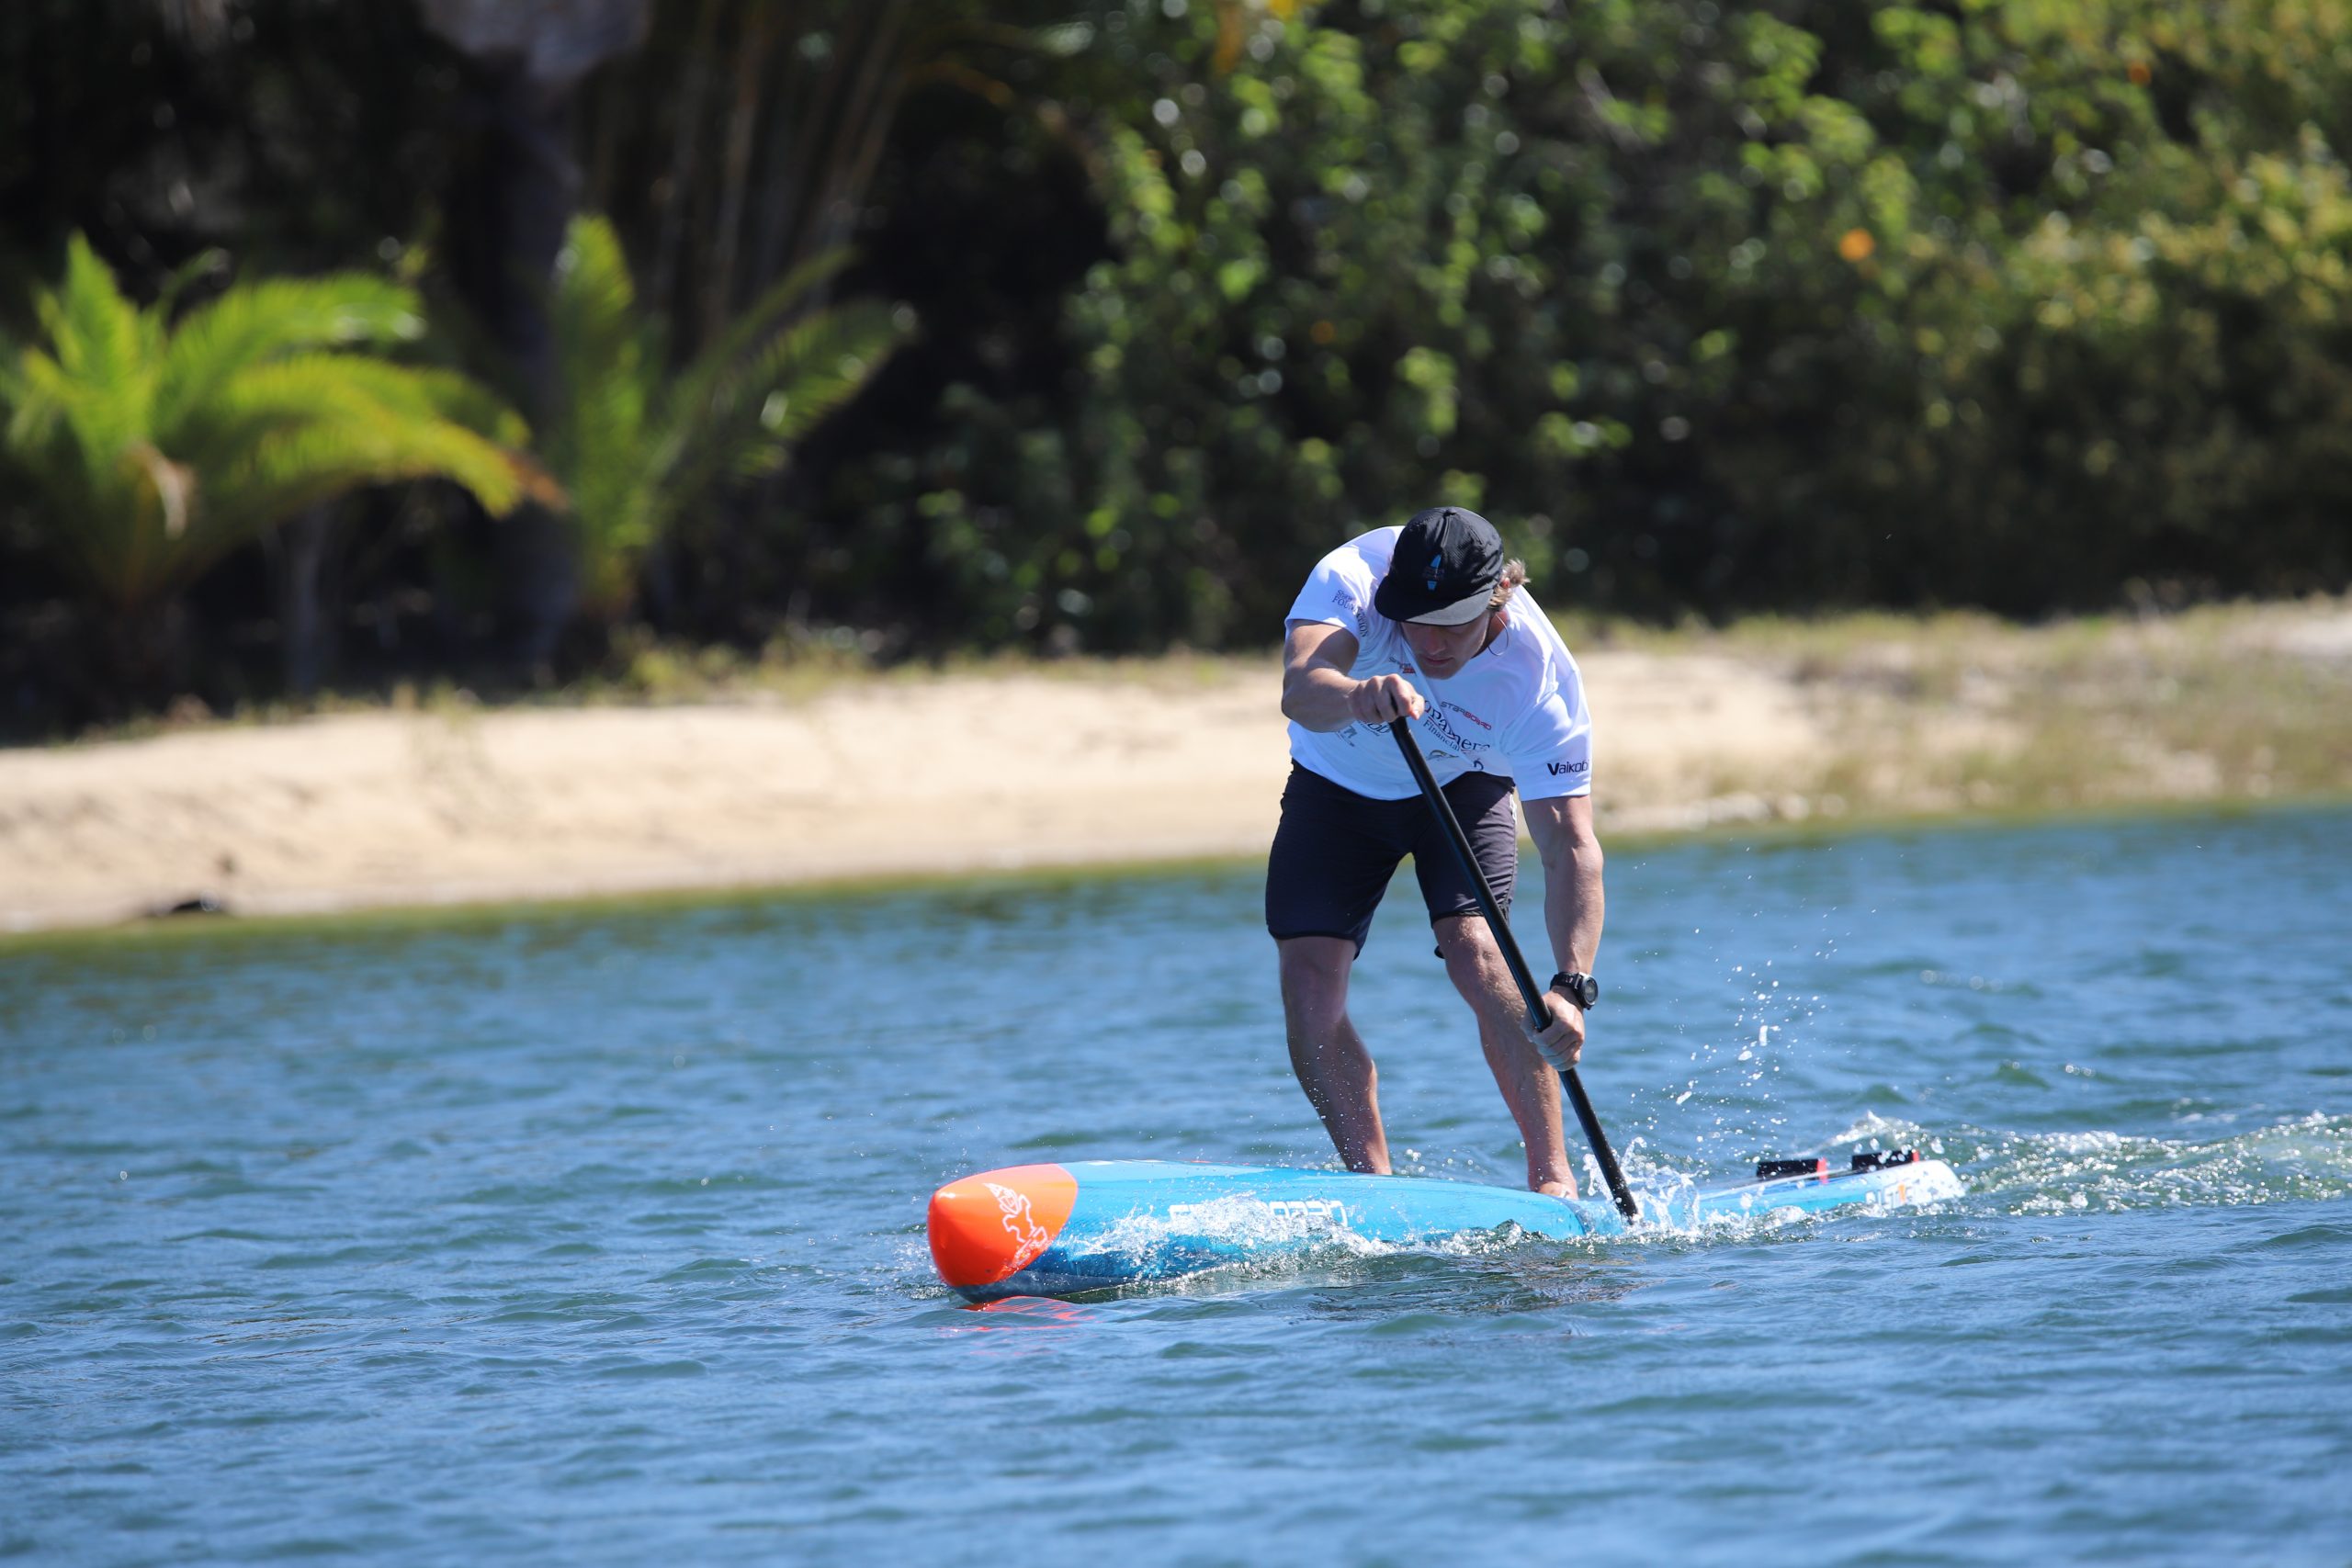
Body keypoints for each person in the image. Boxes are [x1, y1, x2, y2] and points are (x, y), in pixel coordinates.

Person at [1268, 505, 1604, 1196]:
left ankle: (1554, 1181)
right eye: (1415, 620)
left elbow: (1569, 844)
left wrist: (1572, 987)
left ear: (1498, 598)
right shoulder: (1352, 577)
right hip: (1338, 784)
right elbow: (1301, 687)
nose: (1429, 642)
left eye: (1452, 623)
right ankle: (1377, 1191)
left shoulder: (1541, 680)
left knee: (1478, 953)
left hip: (1463, 780)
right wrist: (1360, 695)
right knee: (1307, 986)